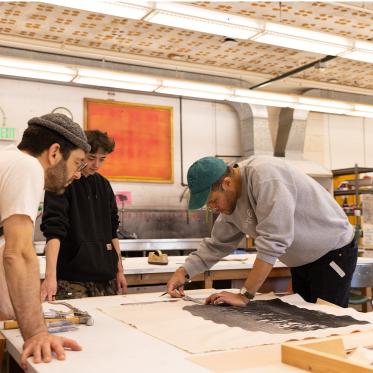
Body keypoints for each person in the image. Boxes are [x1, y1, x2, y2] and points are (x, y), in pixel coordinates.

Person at [167, 156, 357, 308]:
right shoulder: (230, 203)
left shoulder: (265, 176)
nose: (213, 208)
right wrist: (184, 272)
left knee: (327, 325)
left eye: (214, 201)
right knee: (307, 325)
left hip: (332, 253)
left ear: (227, 183)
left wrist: (245, 295)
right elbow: (218, 244)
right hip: (302, 262)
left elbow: (274, 240)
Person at [0, 113, 91, 369]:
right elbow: (18, 254)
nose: (78, 174)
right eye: (77, 163)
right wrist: (37, 332)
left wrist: (12, 315)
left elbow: (4, 250)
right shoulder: (27, 167)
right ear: (54, 152)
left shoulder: (9, 161)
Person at [40, 130, 127, 301]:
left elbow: (112, 230)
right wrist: (50, 276)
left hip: (106, 278)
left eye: (102, 159)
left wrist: (120, 271)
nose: (96, 164)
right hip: (72, 280)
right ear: (80, 154)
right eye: (91, 158)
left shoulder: (104, 185)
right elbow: (54, 231)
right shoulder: (62, 181)